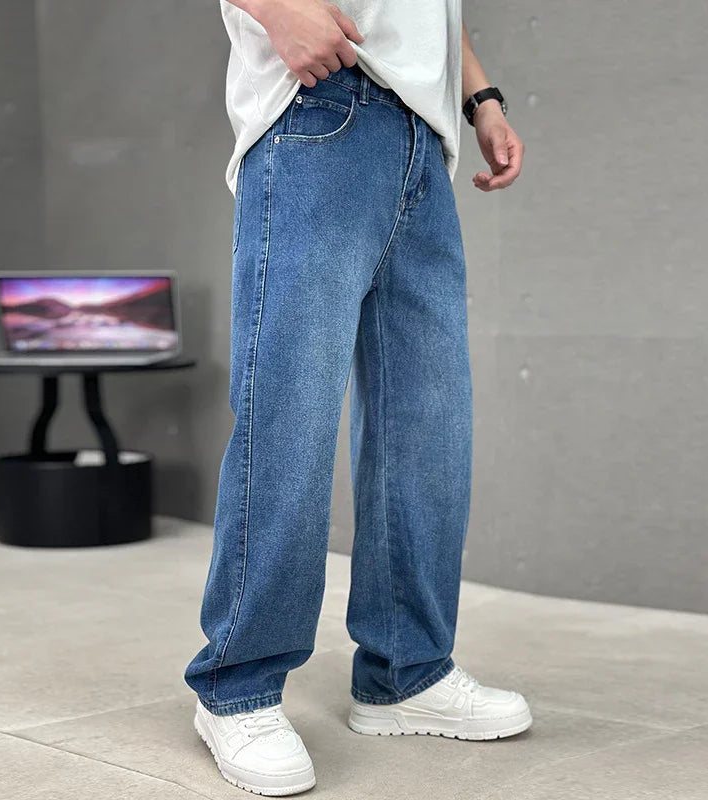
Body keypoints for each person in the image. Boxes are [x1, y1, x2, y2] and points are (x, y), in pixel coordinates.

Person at [184, 0, 530, 794]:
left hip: (423, 139)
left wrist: (480, 99)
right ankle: (237, 686)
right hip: (320, 113)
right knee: (290, 417)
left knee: (428, 429)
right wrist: (274, 9)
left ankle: (407, 670)